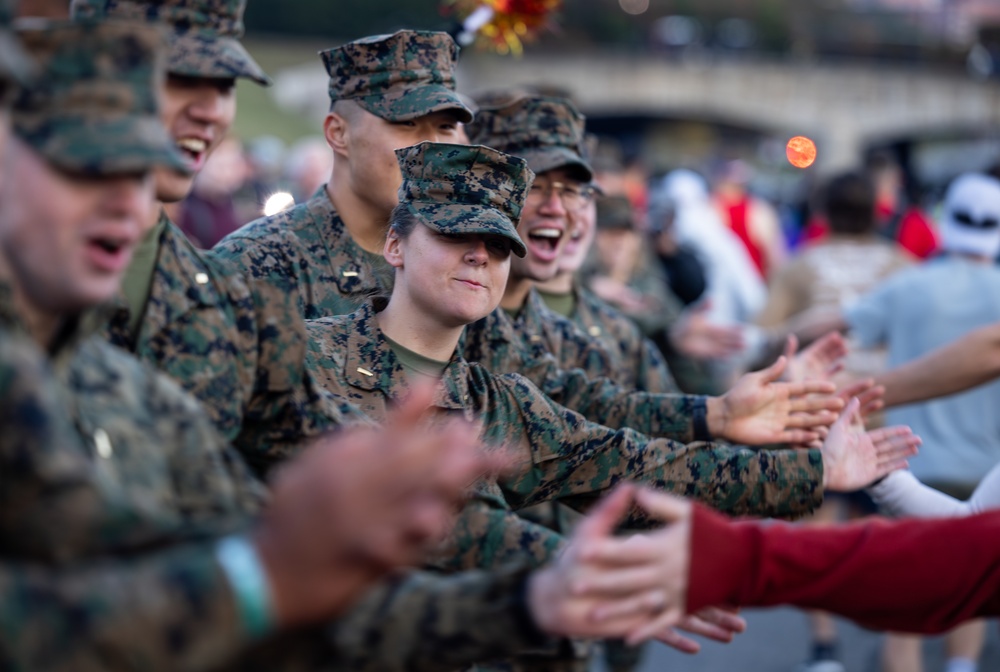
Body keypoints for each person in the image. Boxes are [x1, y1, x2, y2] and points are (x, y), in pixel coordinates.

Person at [0, 18, 738, 671]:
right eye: (90, 168)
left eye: (140, 174)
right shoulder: (247, 278)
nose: (128, 202)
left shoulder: (171, 330)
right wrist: (263, 574)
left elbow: (562, 426)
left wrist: (537, 599)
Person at [306, 140, 919, 577]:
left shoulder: (501, 401)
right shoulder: (308, 358)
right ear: (395, 243)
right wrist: (577, 569)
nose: (478, 257)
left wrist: (813, 474)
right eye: (452, 235)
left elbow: (632, 463)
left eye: (497, 244)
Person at [70, 0, 369, 474]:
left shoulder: (224, 296)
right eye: (180, 77)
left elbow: (310, 440)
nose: (210, 111)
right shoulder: (26, 264)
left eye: (225, 85)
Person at [755, 170, 913, 672]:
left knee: (816, 540)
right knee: (888, 543)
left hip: (818, 414)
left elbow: (766, 335)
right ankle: (895, 642)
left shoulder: (801, 266)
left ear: (821, 212)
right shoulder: (904, 266)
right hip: (886, 414)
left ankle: (824, 650)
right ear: (878, 211)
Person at [846, 172, 1000, 672]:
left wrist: (765, 338)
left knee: (908, 610)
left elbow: (847, 324)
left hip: (910, 461)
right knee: (974, 587)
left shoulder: (909, 284)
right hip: (987, 467)